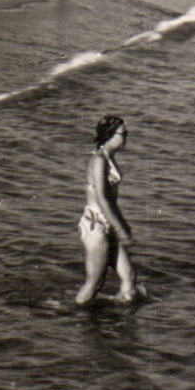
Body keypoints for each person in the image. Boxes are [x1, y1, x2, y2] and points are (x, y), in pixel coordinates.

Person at [75, 115, 140, 305]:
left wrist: (121, 225)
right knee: (95, 283)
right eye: (123, 133)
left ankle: (121, 321)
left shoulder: (109, 158)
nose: (126, 137)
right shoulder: (99, 160)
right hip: (96, 226)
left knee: (129, 277)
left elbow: (111, 201)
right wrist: (121, 228)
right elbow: (103, 198)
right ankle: (72, 315)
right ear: (110, 135)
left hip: (107, 224)